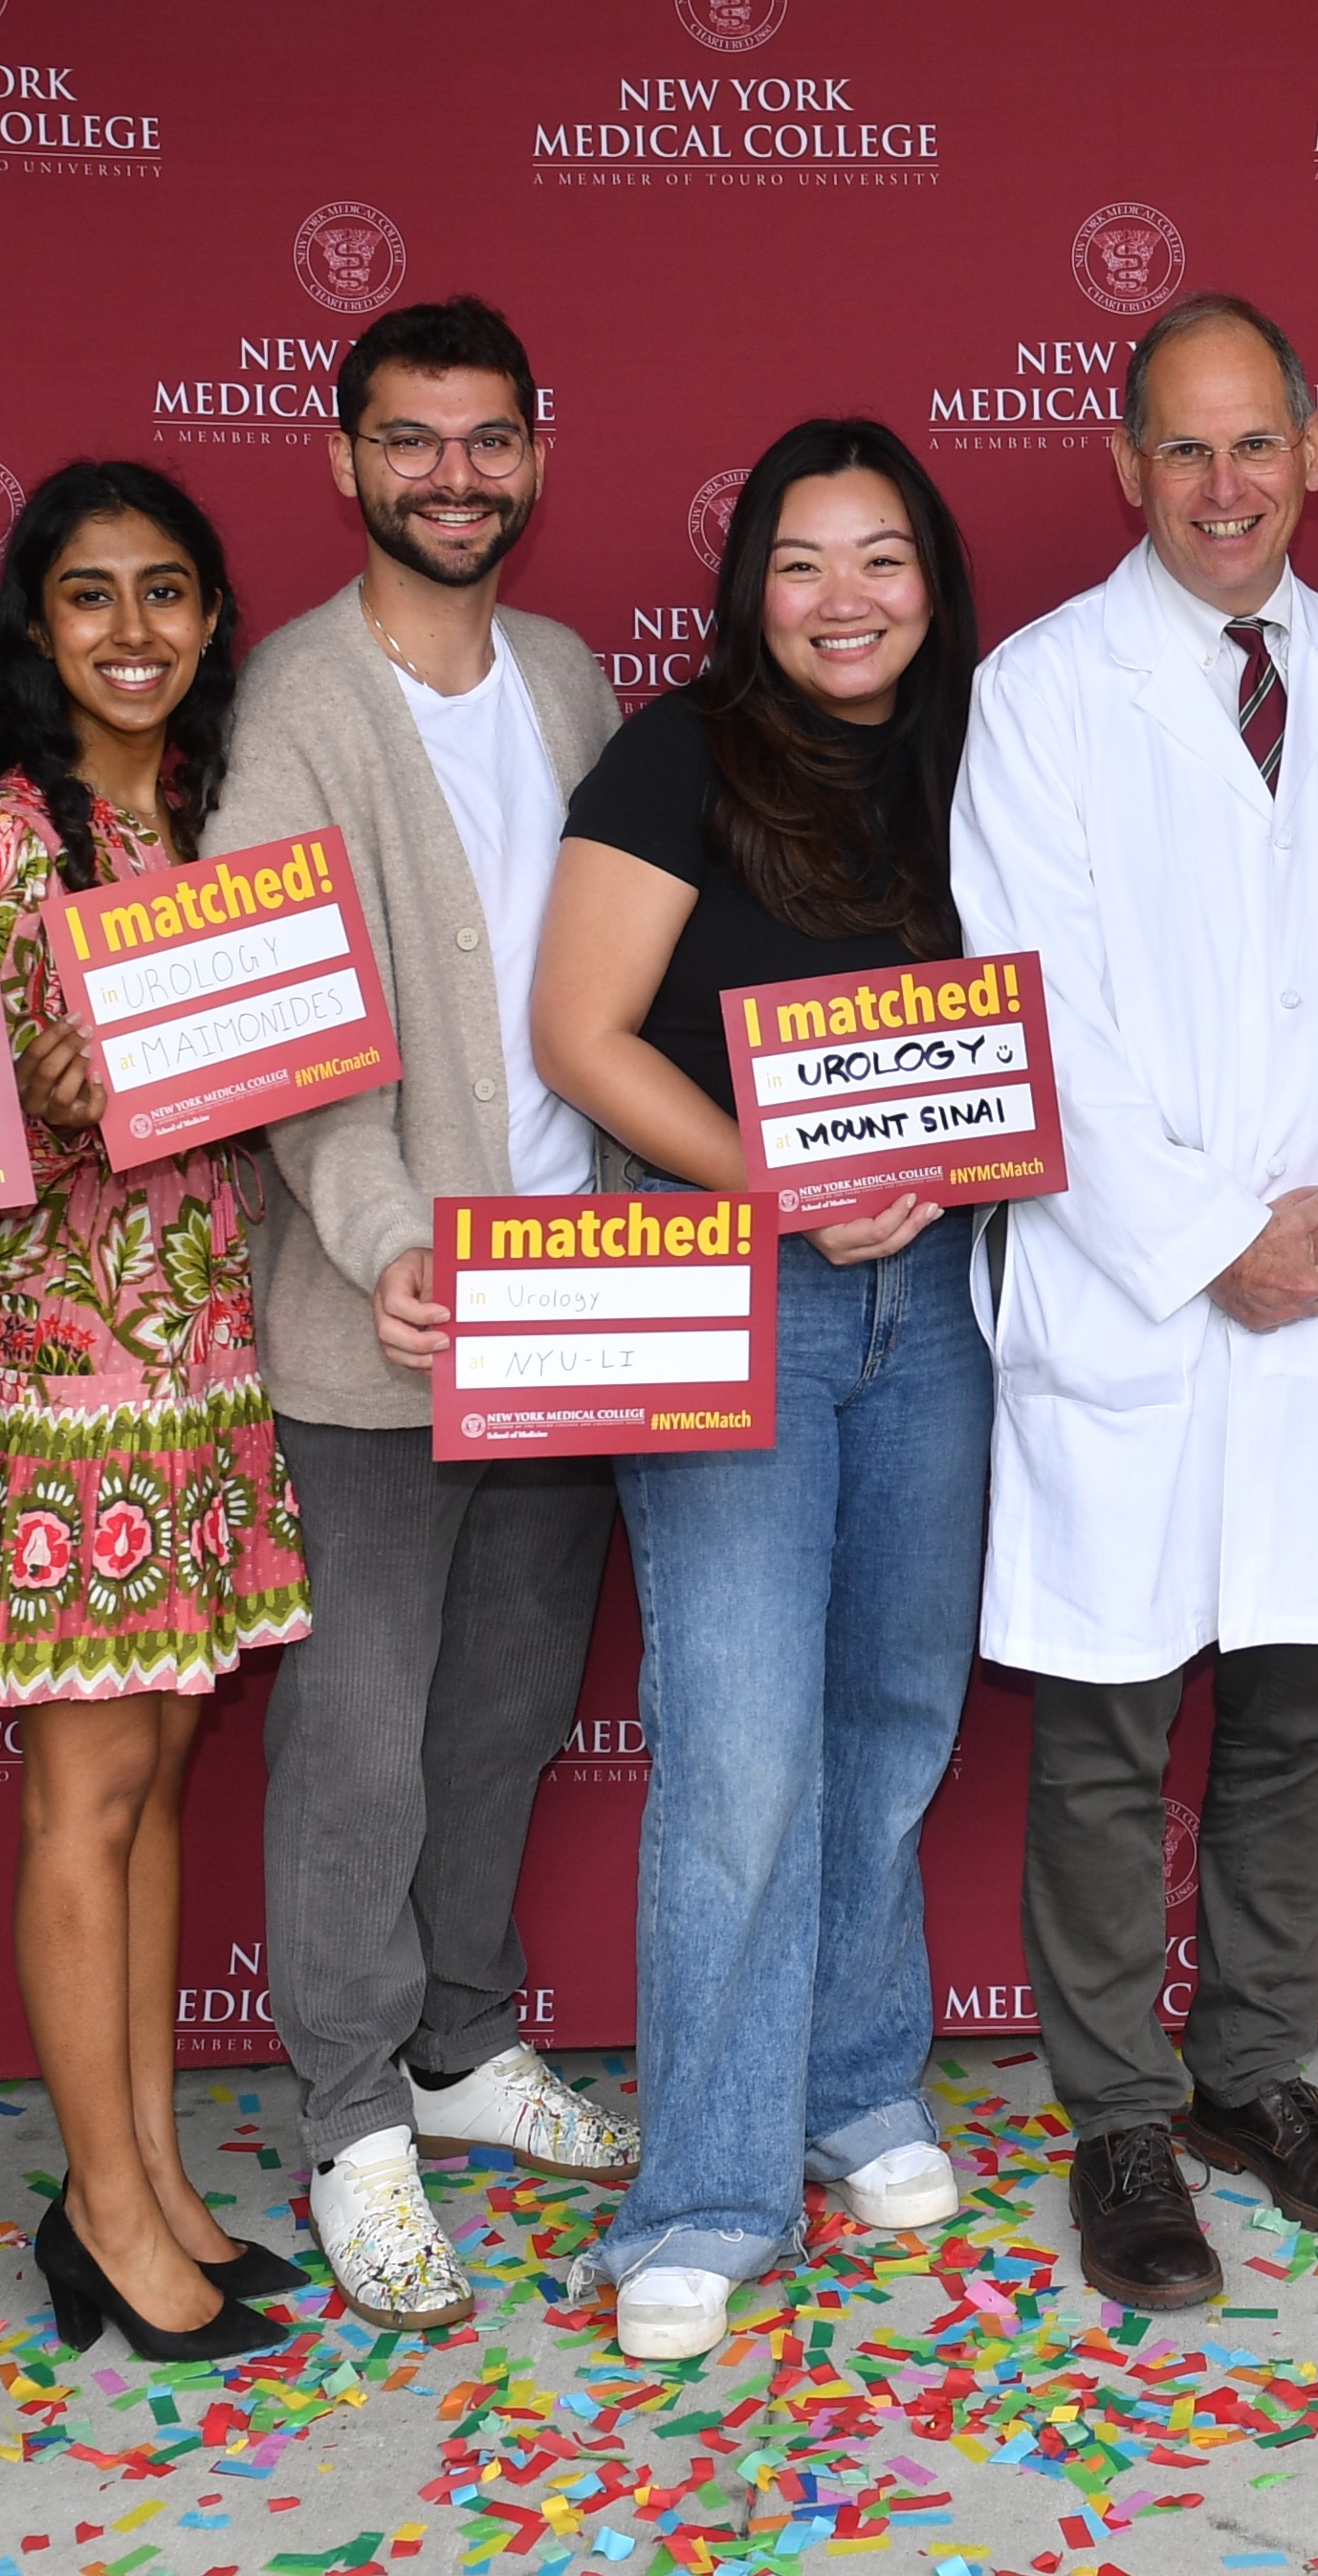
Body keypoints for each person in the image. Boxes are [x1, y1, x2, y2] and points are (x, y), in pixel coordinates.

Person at [952, 293, 1318, 2310]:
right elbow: (1029, 1019)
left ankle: (1251, 2072)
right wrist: (1203, 1243)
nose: (1224, 486)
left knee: (1290, 1716)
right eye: (1183, 448)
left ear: (1317, 447)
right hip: (1133, 1301)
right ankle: (1113, 2116)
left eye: (1258, 444)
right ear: (1122, 464)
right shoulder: (1037, 690)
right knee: (1098, 1735)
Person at [530, 417, 995, 2359]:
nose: (841, 601)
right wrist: (784, 1182)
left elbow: (1030, 1034)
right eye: (800, 563)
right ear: (749, 590)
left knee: (890, 1709)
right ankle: (708, 2191)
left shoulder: (986, 755)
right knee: (738, 1747)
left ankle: (856, 2081)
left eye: (878, 558)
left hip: (936, 1299)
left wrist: (940, 1172)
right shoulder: (673, 752)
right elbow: (579, 1032)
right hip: (731, 1292)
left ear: (928, 579)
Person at [205, 295, 640, 2333]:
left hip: (577, 1314)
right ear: (343, 457)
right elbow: (286, 1032)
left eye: (486, 439)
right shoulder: (295, 702)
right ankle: (351, 2115)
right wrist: (384, 1229)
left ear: (538, 451)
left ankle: (466, 2047)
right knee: (359, 1739)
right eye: (411, 440)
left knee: (500, 1710)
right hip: (382, 1328)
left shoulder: (565, 674)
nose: (450, 474)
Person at [0, 461, 307, 2364]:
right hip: (52, 1389)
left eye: (167, 595)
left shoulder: (216, 817)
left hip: (202, 1365)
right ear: (34, 629)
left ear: (212, 621)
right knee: (86, 1796)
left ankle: (143, 2179)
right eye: (88, 597)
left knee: (155, 1791)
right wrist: (59, 1081)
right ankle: (107, 2210)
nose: (132, 631)